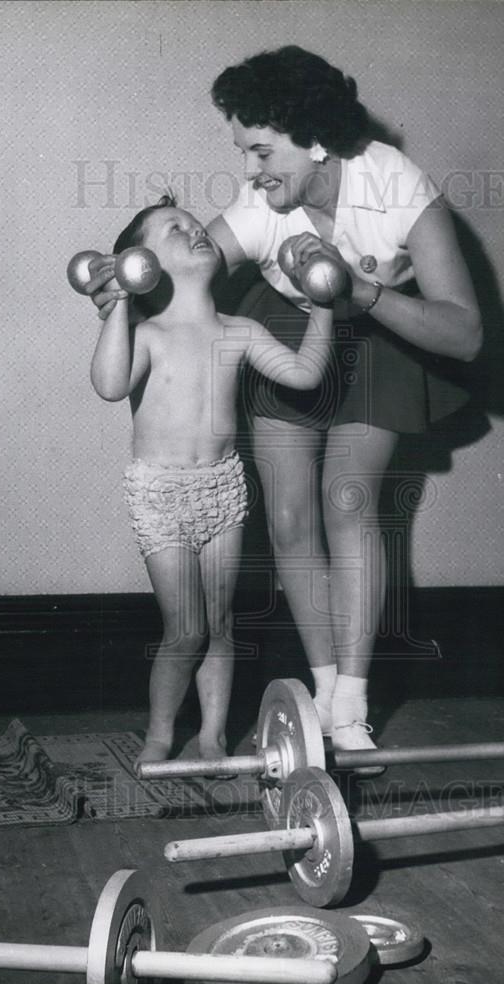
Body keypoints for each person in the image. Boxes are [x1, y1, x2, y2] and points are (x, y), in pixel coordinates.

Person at [92, 46, 482, 769]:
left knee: (348, 503)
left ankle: (352, 709)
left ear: (317, 142)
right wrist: (111, 288)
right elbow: (169, 265)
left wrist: (359, 294)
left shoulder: (399, 187)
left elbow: (463, 332)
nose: (249, 170)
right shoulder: (261, 207)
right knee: (289, 516)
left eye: (261, 151)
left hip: (382, 327)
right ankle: (325, 688)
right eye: (243, 151)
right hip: (290, 323)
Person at [89, 195, 334, 771]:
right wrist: (118, 309)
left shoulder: (239, 331)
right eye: (175, 229)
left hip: (222, 489)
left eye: (196, 224)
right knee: (185, 628)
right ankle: (158, 731)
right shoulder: (148, 333)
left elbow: (305, 373)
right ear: (142, 264)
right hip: (160, 495)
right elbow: (108, 384)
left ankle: (213, 737)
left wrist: (324, 304)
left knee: (221, 623)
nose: (195, 230)